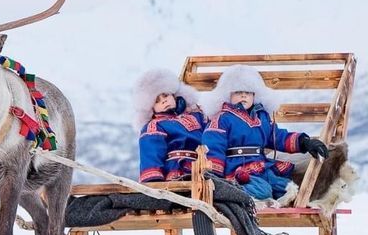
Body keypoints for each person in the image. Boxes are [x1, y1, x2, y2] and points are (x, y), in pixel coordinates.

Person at [202, 64, 328, 200]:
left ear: (255, 95)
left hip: (262, 167)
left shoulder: (262, 118)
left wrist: (305, 142)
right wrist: (214, 176)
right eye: (238, 92)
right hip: (238, 170)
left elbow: (278, 137)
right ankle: (233, 192)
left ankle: (268, 197)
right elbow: (213, 146)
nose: (244, 95)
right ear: (228, 94)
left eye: (248, 92)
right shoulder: (222, 118)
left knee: (288, 188)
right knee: (263, 191)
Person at [133, 68, 208, 182]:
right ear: (150, 107)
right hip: (177, 173)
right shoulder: (154, 126)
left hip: (205, 169)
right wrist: (154, 183)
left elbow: (213, 135)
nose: (164, 101)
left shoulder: (197, 115)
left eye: (166, 95)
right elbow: (151, 154)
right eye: (157, 101)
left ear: (174, 95)